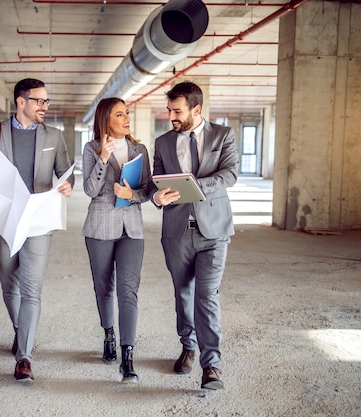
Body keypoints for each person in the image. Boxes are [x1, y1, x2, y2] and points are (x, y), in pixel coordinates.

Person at [0, 78, 74, 383]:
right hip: (5, 219)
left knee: (32, 288)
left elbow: (65, 173)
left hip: (39, 220)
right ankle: (21, 331)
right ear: (21, 101)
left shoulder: (54, 136)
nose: (44, 106)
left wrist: (67, 185)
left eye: (46, 101)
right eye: (39, 101)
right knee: (9, 284)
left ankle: (24, 357)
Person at [151, 81, 239, 390]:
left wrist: (197, 187)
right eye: (169, 110)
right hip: (176, 232)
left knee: (207, 296)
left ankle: (211, 365)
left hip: (213, 231)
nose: (171, 116)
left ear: (196, 109)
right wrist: (156, 197)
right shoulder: (162, 143)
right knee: (183, 294)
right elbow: (155, 183)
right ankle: (188, 346)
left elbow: (230, 174)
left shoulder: (223, 135)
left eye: (177, 111)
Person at [81, 98, 151, 383]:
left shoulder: (139, 149)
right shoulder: (91, 148)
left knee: (128, 290)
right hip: (99, 227)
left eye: (127, 113)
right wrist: (103, 158)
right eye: (119, 114)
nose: (126, 118)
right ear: (105, 120)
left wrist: (131, 196)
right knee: (104, 288)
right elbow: (90, 189)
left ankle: (128, 355)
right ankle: (108, 333)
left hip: (132, 229)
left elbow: (147, 189)